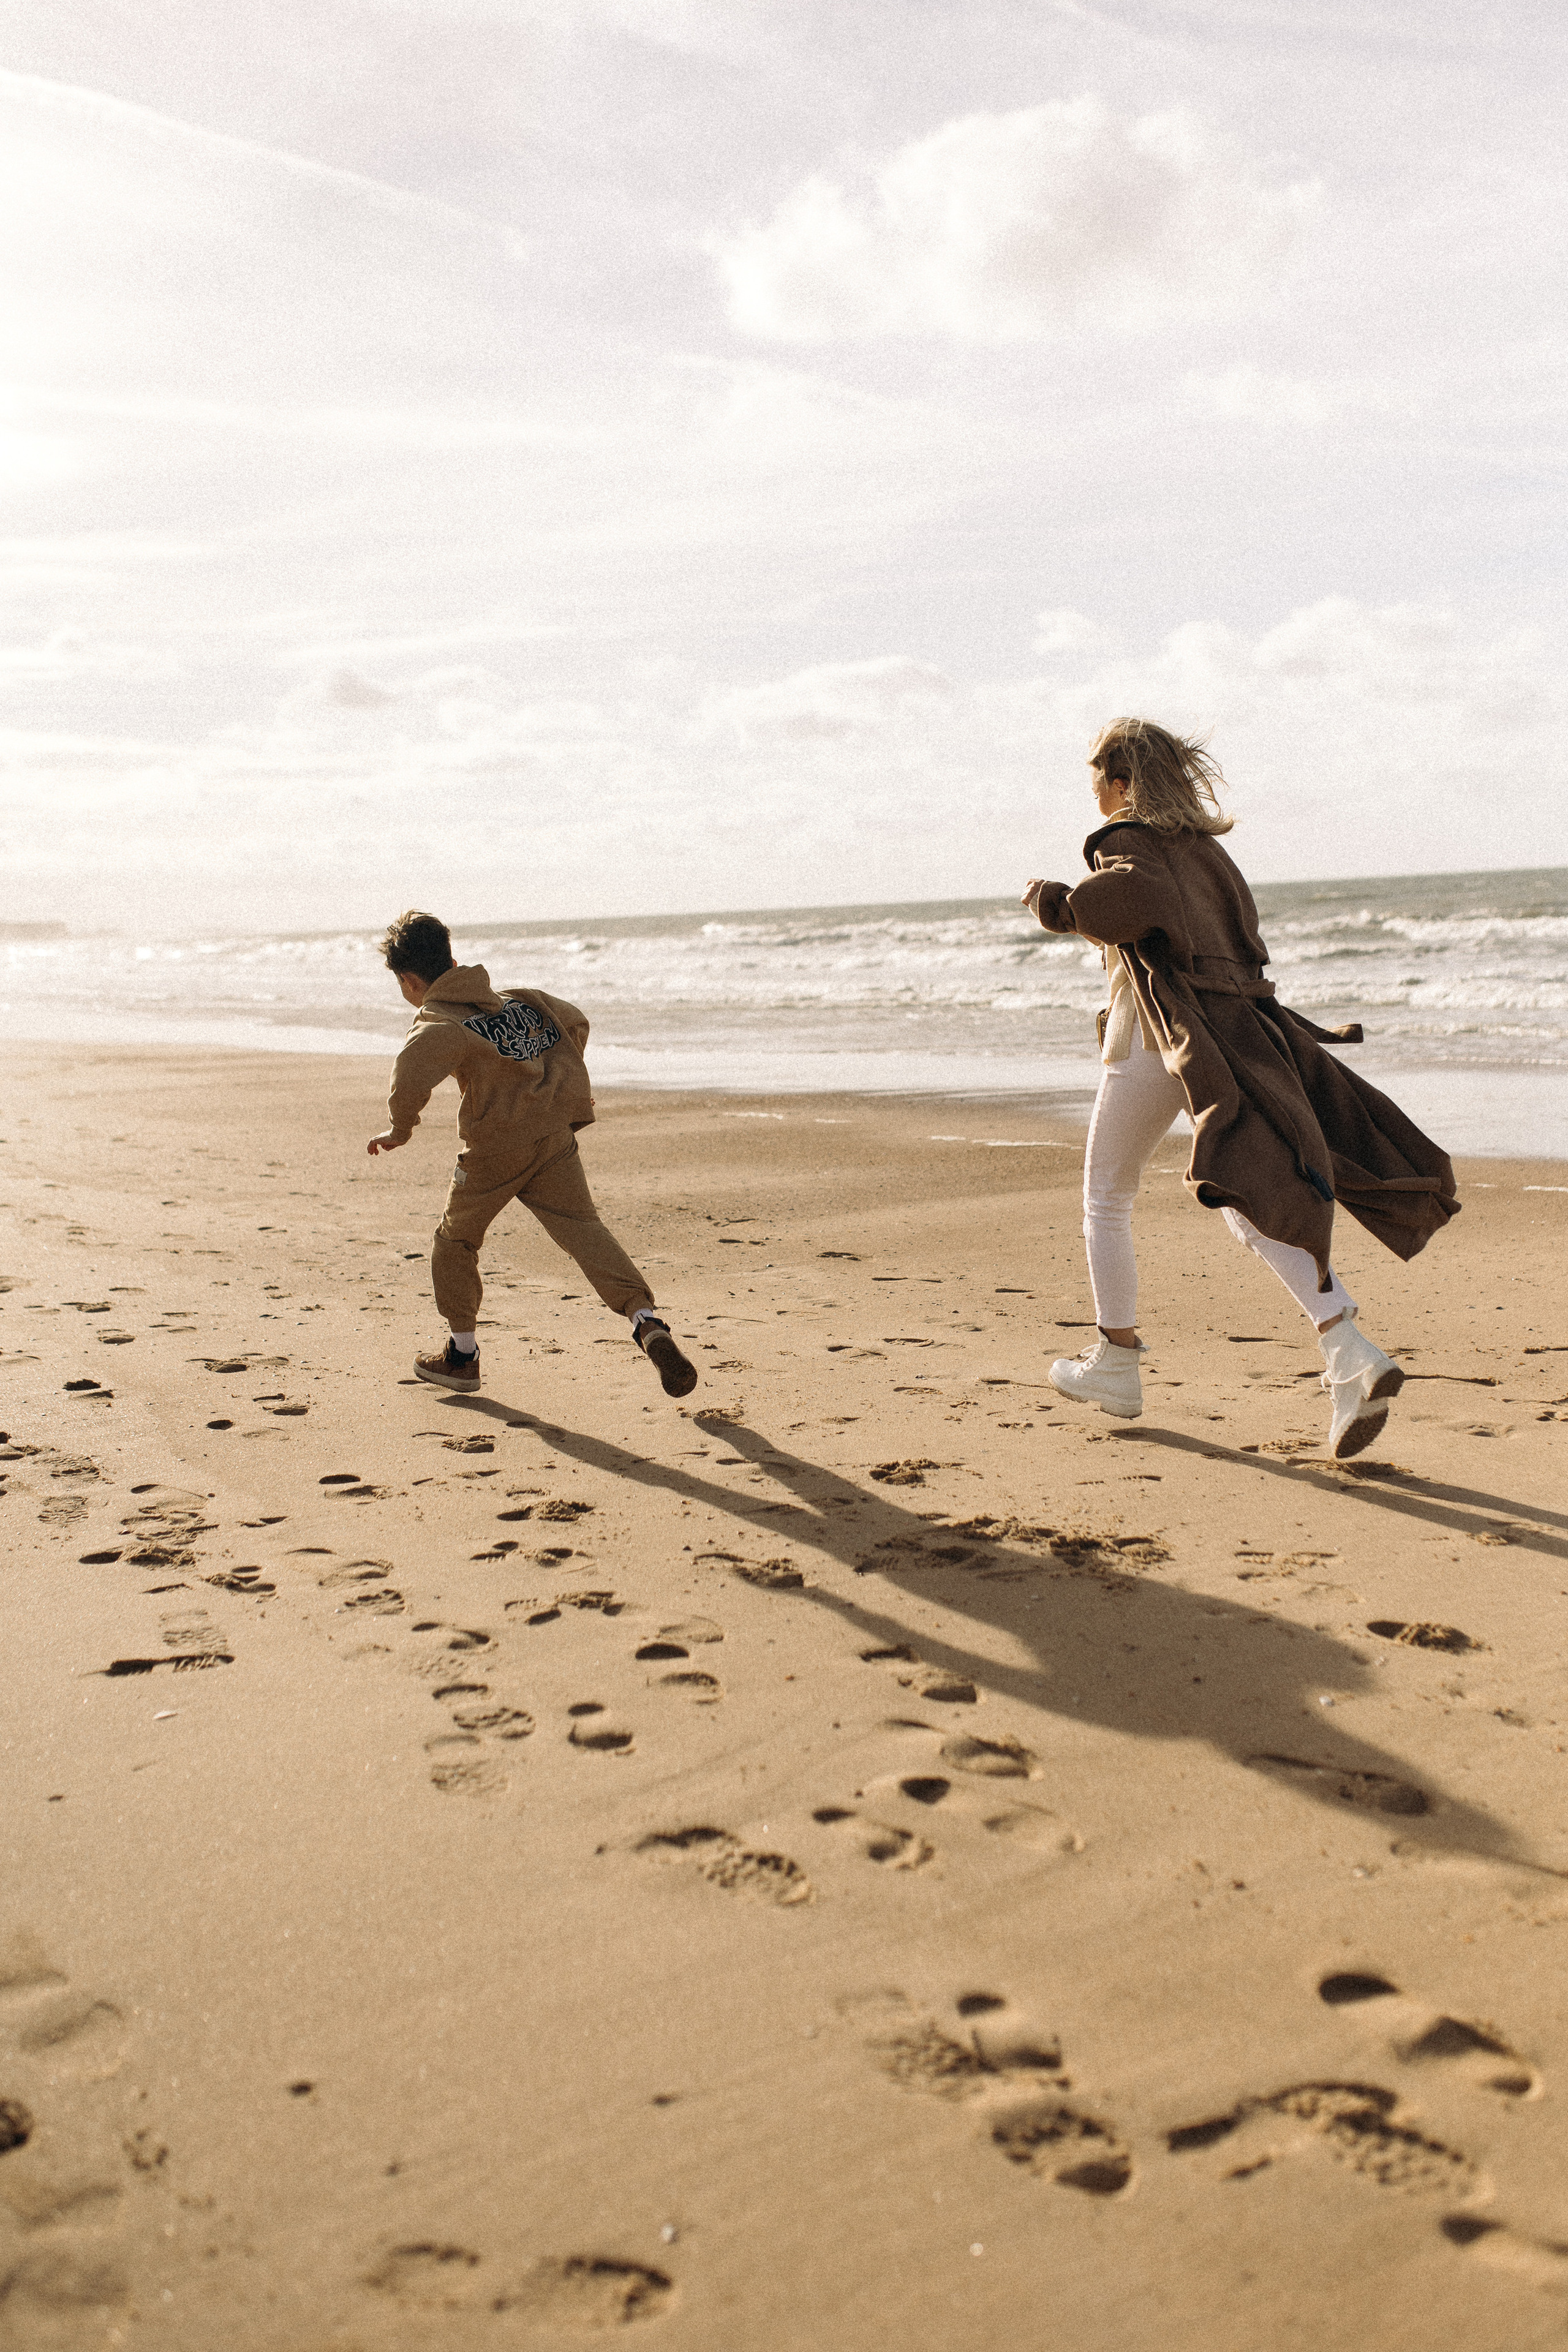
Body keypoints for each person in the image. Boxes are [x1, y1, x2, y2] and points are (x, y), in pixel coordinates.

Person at [1023, 720, 1458, 1460]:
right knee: (1242, 1192)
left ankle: (1116, 1363)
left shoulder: (1124, 837)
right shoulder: (1208, 853)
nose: (1093, 790)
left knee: (1106, 1194)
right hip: (1231, 1036)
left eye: (1097, 776)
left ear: (1121, 780)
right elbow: (1210, 933)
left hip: (1159, 1036)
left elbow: (1124, 902)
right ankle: (1347, 1350)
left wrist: (1055, 902)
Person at [365, 910, 698, 1400]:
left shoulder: (442, 1018)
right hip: (552, 1139)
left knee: (455, 1241)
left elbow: (413, 1068)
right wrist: (546, 1081)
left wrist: (401, 1127)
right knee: (584, 1230)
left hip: (494, 1152)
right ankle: (646, 1321)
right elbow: (575, 1022)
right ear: (452, 959)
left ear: (409, 980)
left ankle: (461, 1356)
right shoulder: (521, 1002)